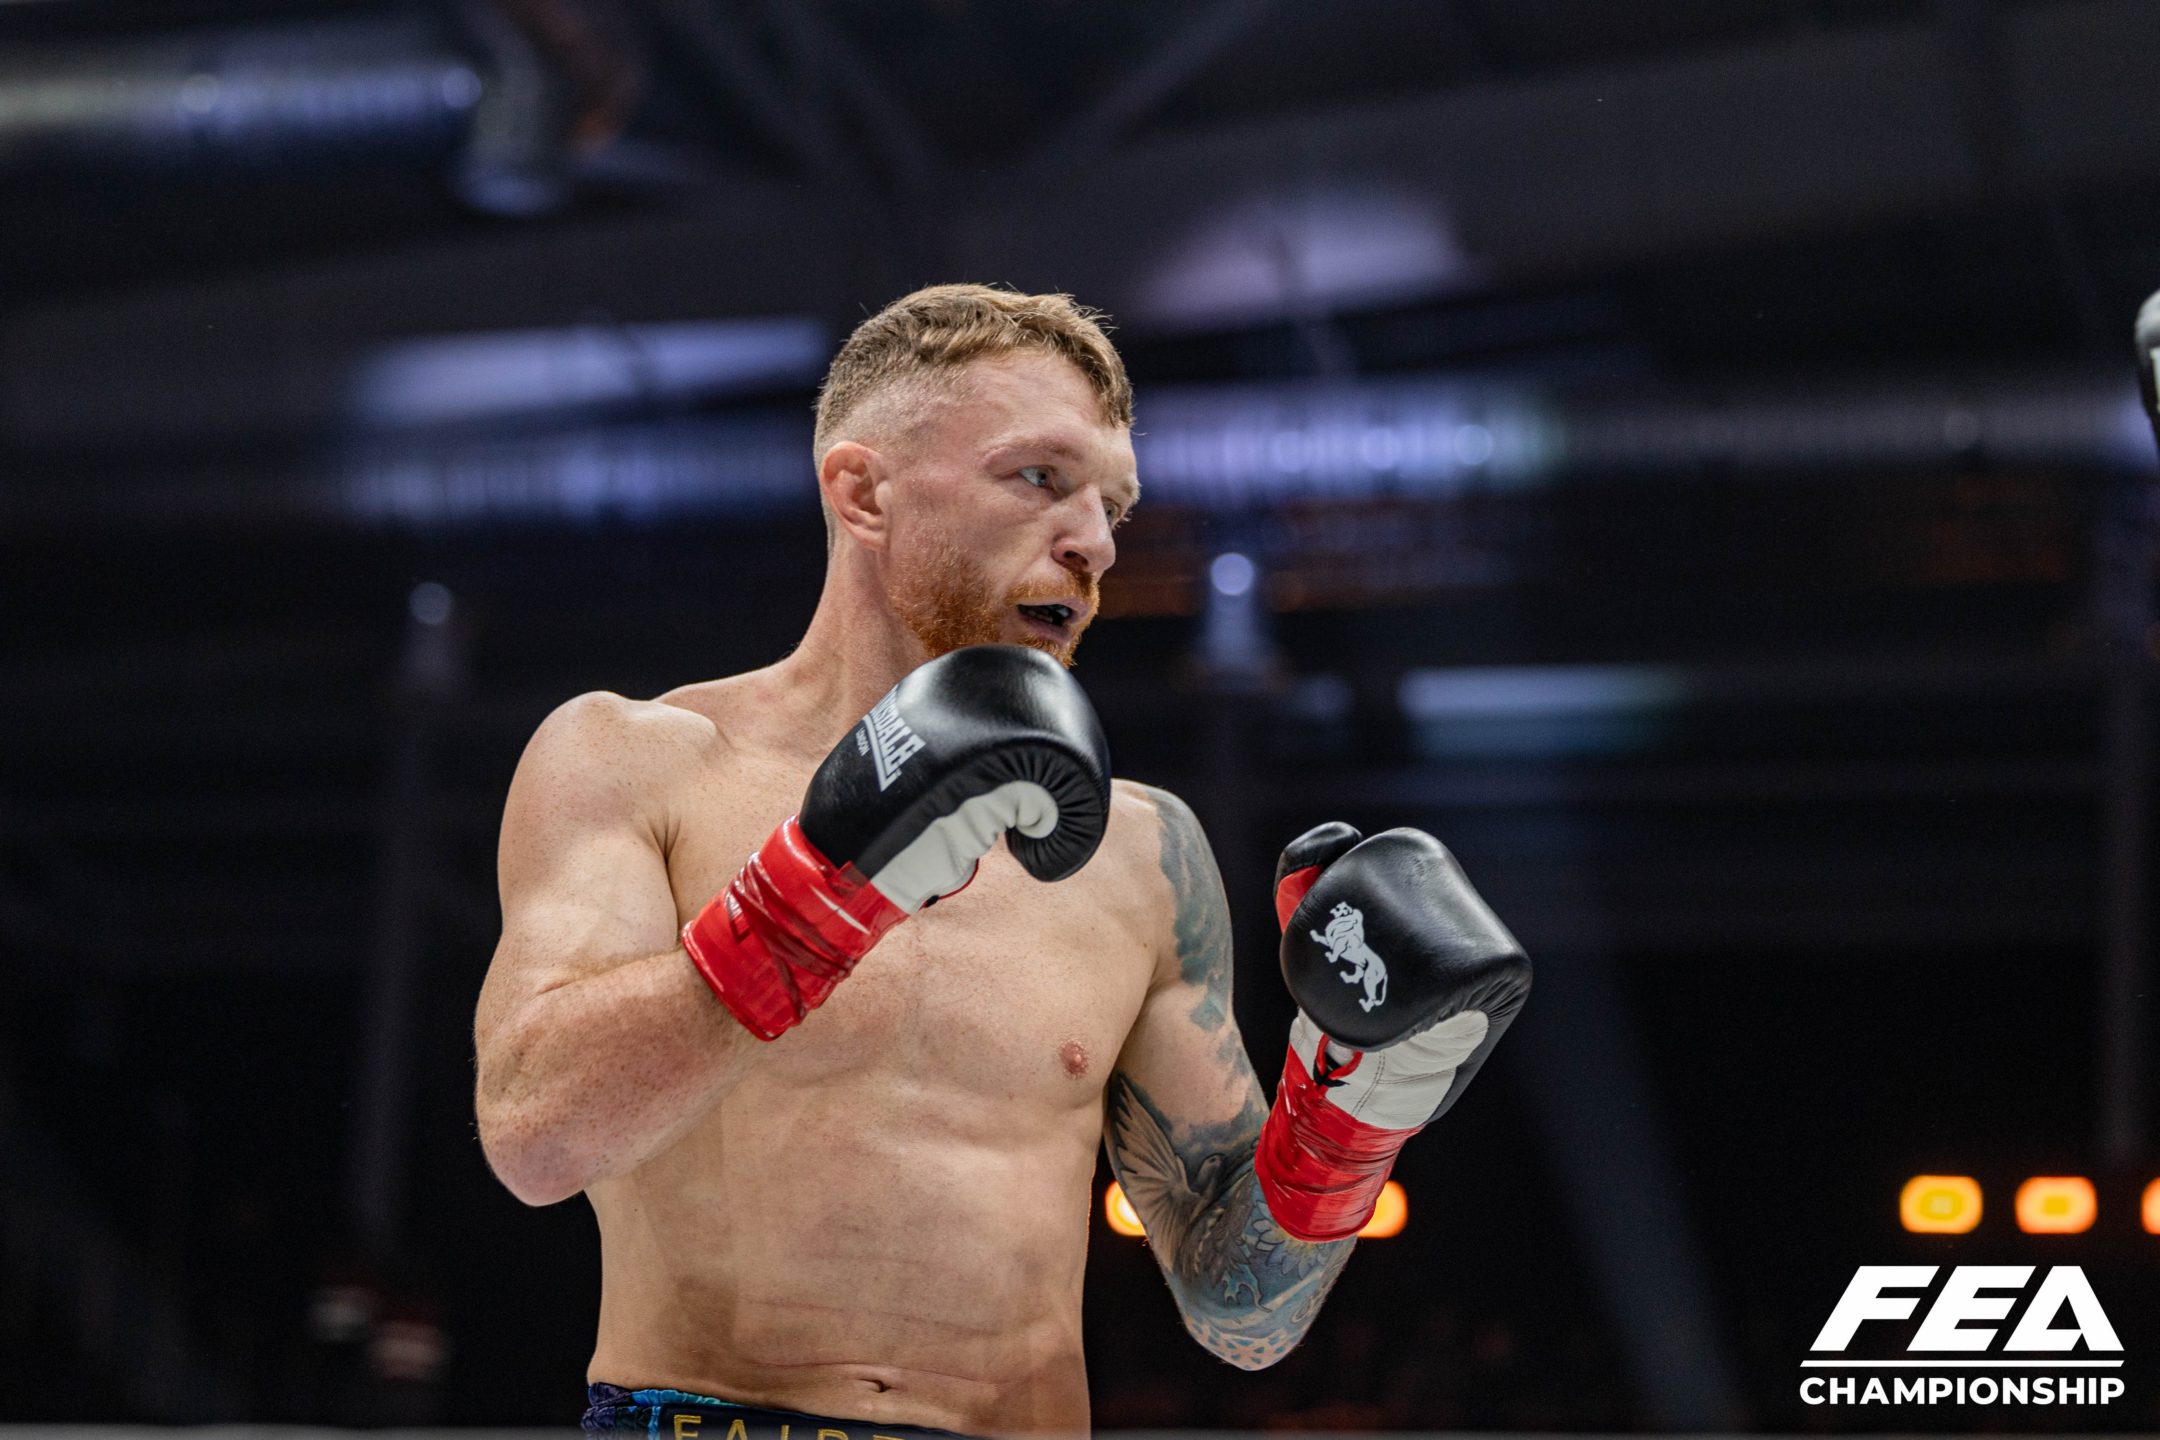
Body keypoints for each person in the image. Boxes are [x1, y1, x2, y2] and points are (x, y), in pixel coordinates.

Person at [472, 284, 1531, 1437]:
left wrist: (1347, 1119)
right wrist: (823, 886)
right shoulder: (641, 761)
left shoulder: (1144, 854)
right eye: (1040, 477)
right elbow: (535, 1136)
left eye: (1112, 505)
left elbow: (1239, 1315)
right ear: (863, 492)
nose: (1095, 542)